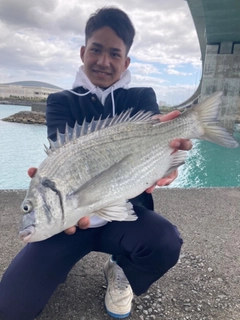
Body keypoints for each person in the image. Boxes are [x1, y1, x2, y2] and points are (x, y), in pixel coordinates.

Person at [0, 7, 192, 320]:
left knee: (166, 241)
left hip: (126, 218)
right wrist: (52, 186)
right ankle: (58, 263)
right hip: (68, 223)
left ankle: (121, 269)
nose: (104, 61)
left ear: (126, 61)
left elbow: (158, 146)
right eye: (96, 50)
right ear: (83, 52)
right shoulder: (60, 102)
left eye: (114, 54)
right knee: (10, 309)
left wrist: (171, 161)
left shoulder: (142, 97)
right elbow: (64, 156)